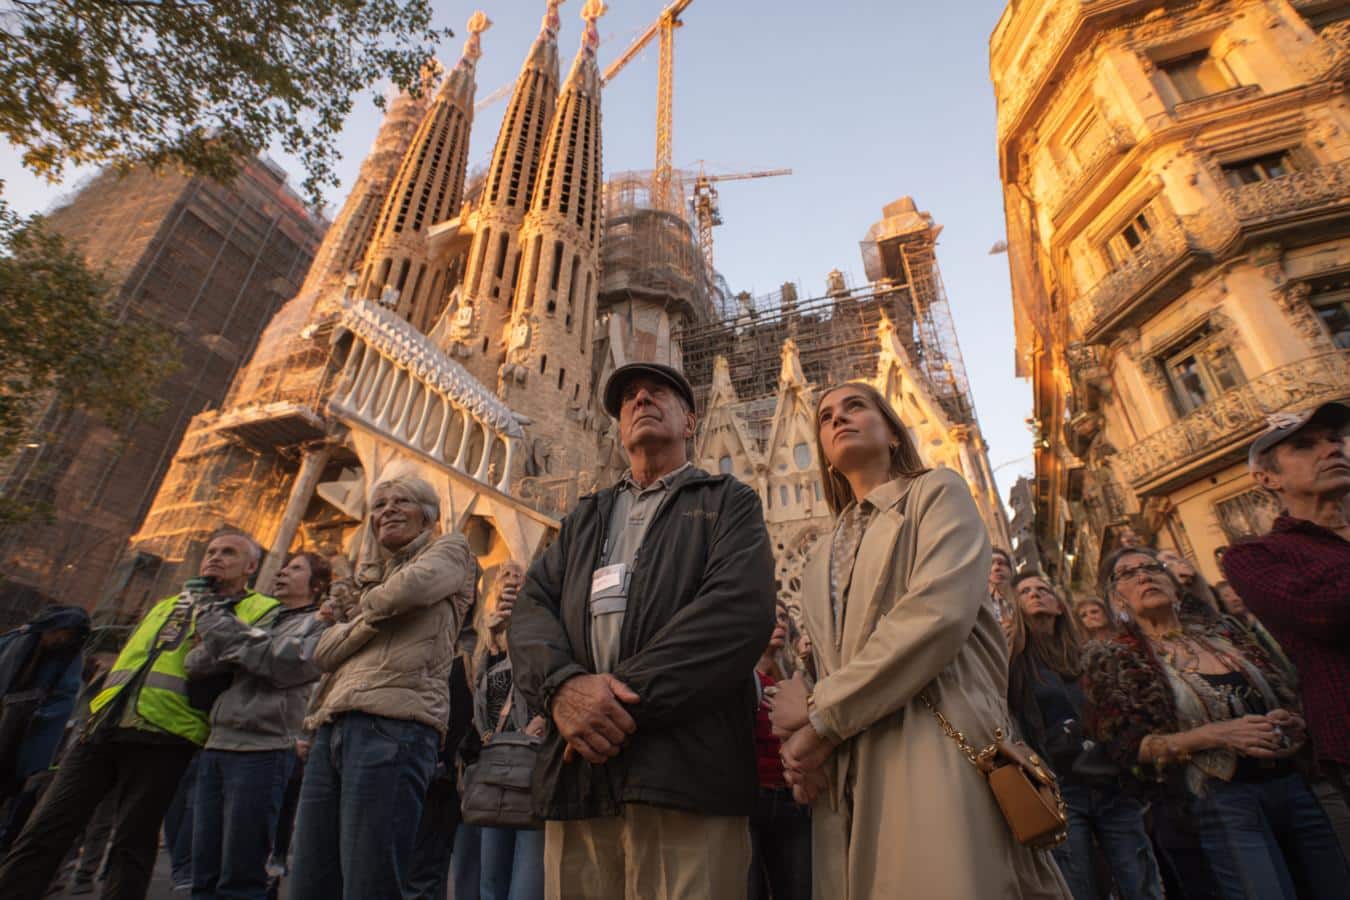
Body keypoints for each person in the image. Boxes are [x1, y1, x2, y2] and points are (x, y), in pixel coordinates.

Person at [766, 381, 1069, 899]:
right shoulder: (820, 558)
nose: (838, 419)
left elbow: (936, 615)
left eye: (856, 406)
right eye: (825, 417)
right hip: (851, 764)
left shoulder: (937, 493)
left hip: (932, 735)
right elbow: (827, 658)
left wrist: (817, 718)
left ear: (891, 431)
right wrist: (804, 738)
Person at [510, 361, 777, 900]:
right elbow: (531, 608)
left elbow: (736, 614)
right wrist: (562, 688)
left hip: (685, 774)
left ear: (690, 422)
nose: (640, 400)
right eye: (629, 396)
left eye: (659, 392)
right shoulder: (584, 519)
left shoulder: (727, 500)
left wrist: (608, 705)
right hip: (580, 779)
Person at [0, 530, 277, 900]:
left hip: (168, 733)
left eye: (229, 553)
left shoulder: (259, 609)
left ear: (251, 566)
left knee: (131, 843)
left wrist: (212, 611)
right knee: (44, 829)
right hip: (105, 725)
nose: (215, 557)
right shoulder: (168, 604)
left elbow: (243, 661)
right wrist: (92, 716)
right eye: (211, 551)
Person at [1087, 545, 1348, 900]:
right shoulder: (1116, 657)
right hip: (1221, 800)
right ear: (1117, 598)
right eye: (1128, 573)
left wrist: (1292, 720)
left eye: (1152, 567)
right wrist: (1214, 735)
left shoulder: (1225, 632)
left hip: (1291, 784)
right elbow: (1129, 748)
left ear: (1174, 584)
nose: (1145, 575)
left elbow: (1283, 689)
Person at [290, 475, 475, 900]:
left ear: (428, 516)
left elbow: (403, 594)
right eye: (379, 504)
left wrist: (365, 613)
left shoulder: (451, 549)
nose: (387, 509)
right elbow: (323, 652)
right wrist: (372, 615)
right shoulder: (372, 578)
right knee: (309, 881)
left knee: (369, 881)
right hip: (332, 726)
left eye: (402, 501)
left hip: (394, 727)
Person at [1222, 402, 1350, 862]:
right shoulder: (1255, 556)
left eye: (1334, 440)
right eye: (1304, 446)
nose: (1331, 449)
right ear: (1268, 479)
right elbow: (1322, 611)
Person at [1007, 572, 1163, 900]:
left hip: (1110, 781)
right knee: (1078, 887)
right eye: (1025, 591)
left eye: (1043, 589)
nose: (1035, 595)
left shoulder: (1088, 655)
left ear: (1060, 606)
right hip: (1060, 789)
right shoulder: (1016, 663)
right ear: (1016, 605)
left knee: (1140, 882)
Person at [186, 550, 332, 899]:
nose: (281, 572)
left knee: (241, 874)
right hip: (218, 742)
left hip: (264, 748)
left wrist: (216, 621)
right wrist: (242, 639)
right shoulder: (262, 618)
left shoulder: (320, 625)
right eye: (283, 567)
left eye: (295, 569)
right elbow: (196, 661)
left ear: (317, 584)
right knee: (203, 871)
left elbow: (278, 664)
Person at [465, 560, 547, 900]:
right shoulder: (483, 642)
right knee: (490, 882)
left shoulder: (542, 628)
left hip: (531, 760)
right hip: (496, 759)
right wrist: (494, 644)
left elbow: (546, 679)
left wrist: (521, 631)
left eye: (519, 575)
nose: (512, 580)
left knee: (525, 886)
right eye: (505, 576)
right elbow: (479, 702)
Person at [0, 604, 91, 850]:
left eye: (70, 635)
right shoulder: (15, 643)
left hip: (25, 736)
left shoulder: (68, 658)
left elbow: (65, 697)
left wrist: (39, 713)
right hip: (9, 723)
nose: (63, 639)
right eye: (62, 632)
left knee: (14, 792)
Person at [749, 602, 810, 900]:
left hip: (789, 800)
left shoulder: (791, 679)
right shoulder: (740, 677)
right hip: (752, 799)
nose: (780, 623)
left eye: (784, 617)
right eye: (772, 617)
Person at [1213, 581, 1293, 683]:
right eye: (1226, 596)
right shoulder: (1233, 637)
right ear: (1220, 602)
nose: (1234, 599)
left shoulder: (1271, 619)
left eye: (1236, 593)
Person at [989, 546, 1016, 625]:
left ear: (1011, 570)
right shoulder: (977, 605)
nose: (996, 568)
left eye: (1001, 563)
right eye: (990, 563)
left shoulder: (1024, 599)